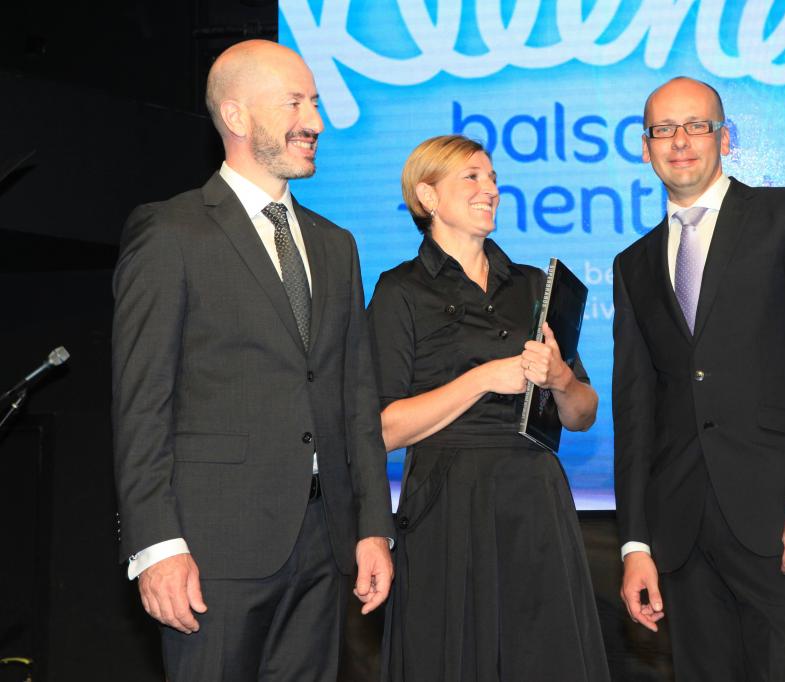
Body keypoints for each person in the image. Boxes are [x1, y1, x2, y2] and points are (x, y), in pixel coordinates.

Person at [111, 39, 394, 680]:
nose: (316, 121)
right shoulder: (171, 232)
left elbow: (357, 399)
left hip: (324, 544)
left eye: (315, 103)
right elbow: (141, 403)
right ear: (236, 116)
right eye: (295, 103)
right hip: (210, 548)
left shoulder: (336, 244)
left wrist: (374, 526)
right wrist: (155, 544)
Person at [612, 77, 785, 681]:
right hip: (681, 536)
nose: (680, 141)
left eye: (696, 125)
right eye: (663, 130)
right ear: (645, 148)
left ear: (725, 138)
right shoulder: (633, 264)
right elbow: (636, 414)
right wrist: (636, 545)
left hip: (781, 519)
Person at [368, 134, 610, 682]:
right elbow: (382, 430)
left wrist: (561, 378)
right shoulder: (399, 291)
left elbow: (583, 415)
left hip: (535, 499)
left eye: (494, 178)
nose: (491, 189)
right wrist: (481, 380)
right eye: (472, 177)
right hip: (449, 503)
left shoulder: (533, 285)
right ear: (427, 197)